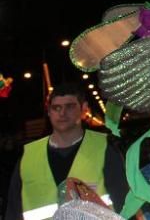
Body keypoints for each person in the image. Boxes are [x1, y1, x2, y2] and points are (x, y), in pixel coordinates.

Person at [4, 84, 126, 220]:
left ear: (84, 108)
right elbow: (14, 210)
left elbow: (124, 203)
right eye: (56, 108)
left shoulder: (104, 148)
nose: (62, 113)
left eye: (70, 106)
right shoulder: (28, 156)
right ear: (49, 112)